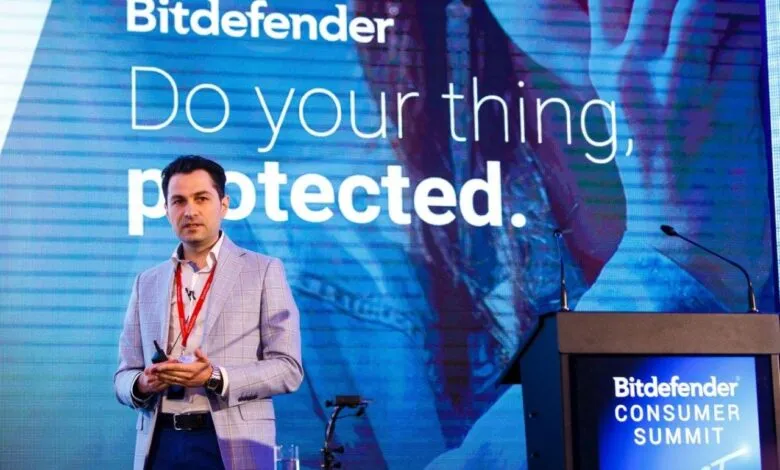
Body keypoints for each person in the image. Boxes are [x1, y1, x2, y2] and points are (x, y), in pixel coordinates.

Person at [113, 155, 304, 470]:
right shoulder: (147, 282)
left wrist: (216, 376)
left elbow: (288, 368)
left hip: (232, 442)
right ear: (165, 209)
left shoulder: (263, 270)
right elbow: (123, 375)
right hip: (161, 442)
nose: (190, 210)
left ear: (224, 204)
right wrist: (141, 384)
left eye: (201, 198)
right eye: (178, 201)